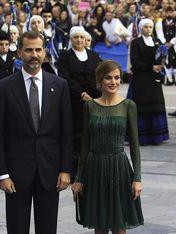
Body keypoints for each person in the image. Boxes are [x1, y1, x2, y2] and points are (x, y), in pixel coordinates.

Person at [0, 31, 73, 234]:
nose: (33, 54)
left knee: (47, 228)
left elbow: (66, 131)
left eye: (38, 49)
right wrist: (2, 173)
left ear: (44, 52)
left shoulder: (59, 85)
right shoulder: (4, 87)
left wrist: (66, 169)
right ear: (19, 52)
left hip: (50, 171)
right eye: (28, 50)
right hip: (16, 174)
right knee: (17, 228)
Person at [72, 60, 144, 234]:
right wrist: (79, 179)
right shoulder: (90, 106)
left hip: (120, 168)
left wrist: (137, 178)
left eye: (117, 78)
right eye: (108, 78)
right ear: (99, 80)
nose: (114, 82)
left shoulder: (128, 105)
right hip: (95, 169)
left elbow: (135, 145)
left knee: (119, 226)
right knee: (99, 224)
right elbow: (85, 145)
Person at [57, 26, 102, 181]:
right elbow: (64, 77)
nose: (79, 40)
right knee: (75, 135)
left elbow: (98, 76)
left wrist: (96, 96)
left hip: (93, 100)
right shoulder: (65, 56)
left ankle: (91, 170)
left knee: (91, 134)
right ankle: (74, 170)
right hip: (74, 101)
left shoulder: (94, 55)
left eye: (82, 37)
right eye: (76, 37)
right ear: (71, 39)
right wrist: (81, 93)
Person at [129, 18, 169, 145]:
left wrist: (162, 62)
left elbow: (160, 59)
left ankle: (156, 136)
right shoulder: (136, 42)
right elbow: (134, 62)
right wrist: (150, 67)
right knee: (142, 107)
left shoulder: (157, 42)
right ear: (141, 28)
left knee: (155, 105)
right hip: (141, 80)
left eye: (150, 27)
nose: (148, 29)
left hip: (154, 80)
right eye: (146, 27)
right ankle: (143, 137)